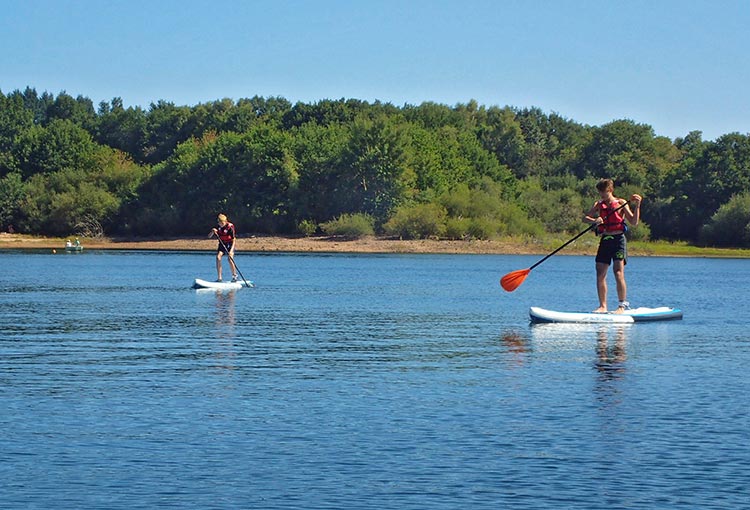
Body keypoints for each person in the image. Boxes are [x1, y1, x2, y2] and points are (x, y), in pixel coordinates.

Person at [583, 178, 642, 314]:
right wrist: (594, 220)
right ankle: (602, 306)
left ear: (610, 190)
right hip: (605, 239)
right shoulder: (598, 204)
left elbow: (633, 221)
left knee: (618, 271)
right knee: (600, 273)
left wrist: (637, 206)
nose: (602, 195)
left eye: (604, 192)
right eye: (600, 192)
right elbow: (585, 218)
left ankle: (622, 306)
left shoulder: (621, 203)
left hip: (618, 239)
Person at [208, 213, 238, 282]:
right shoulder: (218, 226)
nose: (221, 224)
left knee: (230, 259)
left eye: (222, 223)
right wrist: (212, 232)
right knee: (218, 257)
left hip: (230, 244)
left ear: (225, 221)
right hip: (222, 243)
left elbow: (234, 239)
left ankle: (234, 276)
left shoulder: (230, 227)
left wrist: (231, 251)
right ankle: (219, 278)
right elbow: (209, 236)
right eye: (219, 223)